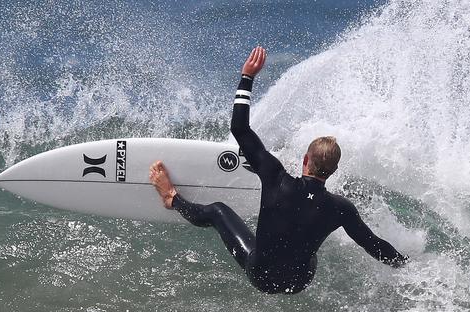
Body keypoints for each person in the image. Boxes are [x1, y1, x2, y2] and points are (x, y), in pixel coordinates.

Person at [149, 46, 408, 294]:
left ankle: (172, 199)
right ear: (333, 170)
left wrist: (247, 77)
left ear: (305, 160)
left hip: (260, 276)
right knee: (308, 240)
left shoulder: (275, 177)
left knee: (218, 211)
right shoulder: (341, 208)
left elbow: (240, 129)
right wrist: (405, 265)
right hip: (299, 283)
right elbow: (373, 245)